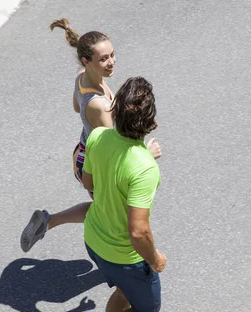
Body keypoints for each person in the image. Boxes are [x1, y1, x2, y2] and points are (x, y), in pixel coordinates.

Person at [52, 77, 167, 312]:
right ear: (152, 121)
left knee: (122, 294)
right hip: (124, 256)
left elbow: (88, 184)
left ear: (114, 111)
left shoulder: (99, 137)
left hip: (94, 241)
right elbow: (139, 232)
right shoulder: (144, 167)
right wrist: (155, 259)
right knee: (146, 310)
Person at [20, 19, 161, 253]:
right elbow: (113, 153)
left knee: (102, 206)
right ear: (87, 61)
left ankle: (48, 221)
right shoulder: (102, 109)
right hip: (96, 162)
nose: (111, 62)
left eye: (112, 55)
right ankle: (116, 257)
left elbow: (77, 107)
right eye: (103, 59)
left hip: (83, 152)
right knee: (111, 211)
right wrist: (147, 156)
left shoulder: (82, 77)